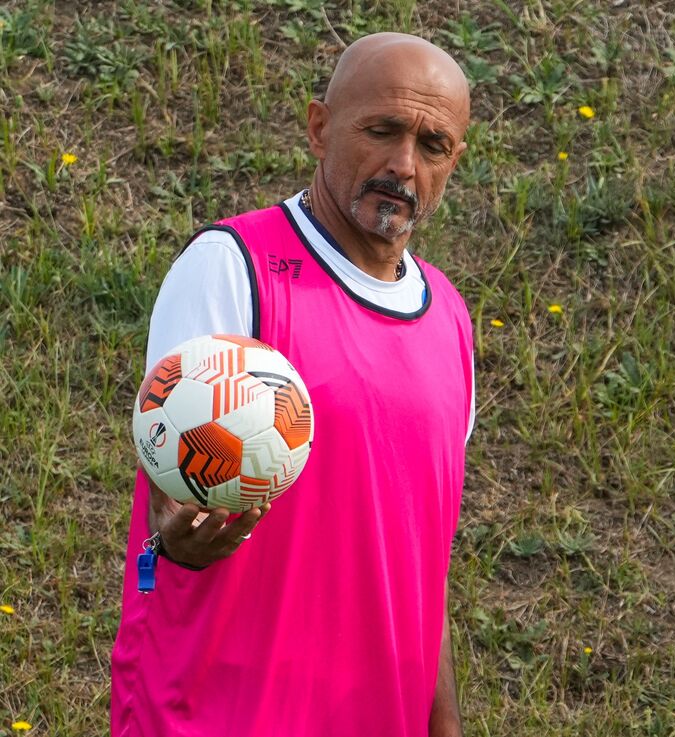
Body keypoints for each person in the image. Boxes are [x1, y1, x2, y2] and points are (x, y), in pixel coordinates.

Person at [111, 33, 476, 736]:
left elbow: (422, 561)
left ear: (453, 160)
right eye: (382, 130)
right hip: (220, 714)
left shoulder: (452, 322)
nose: (402, 165)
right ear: (319, 127)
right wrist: (177, 539)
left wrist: (445, 723)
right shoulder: (232, 267)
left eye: (432, 145)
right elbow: (171, 499)